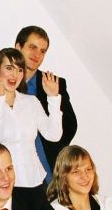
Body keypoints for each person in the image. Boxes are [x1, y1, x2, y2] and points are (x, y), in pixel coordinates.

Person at [0, 48, 62, 188]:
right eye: (9, 68)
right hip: (4, 184)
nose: (15, 75)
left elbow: (54, 135)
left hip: (36, 181)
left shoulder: (31, 102)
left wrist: (53, 98)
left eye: (20, 69)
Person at [15, 26, 77, 180]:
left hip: (47, 171)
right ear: (18, 47)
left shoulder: (54, 83)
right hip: (12, 172)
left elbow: (69, 125)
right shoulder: (1, 80)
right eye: (32, 47)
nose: (37, 54)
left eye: (42, 51)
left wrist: (53, 153)